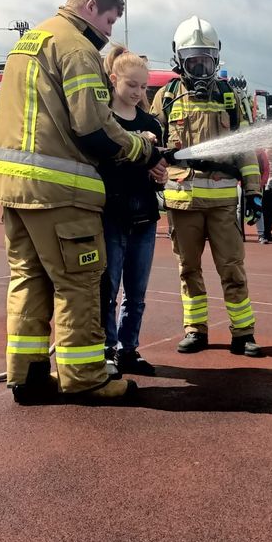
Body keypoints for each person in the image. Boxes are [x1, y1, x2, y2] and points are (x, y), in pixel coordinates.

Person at [0, 0, 163, 405]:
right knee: (79, 282)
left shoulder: (31, 41)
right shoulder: (77, 48)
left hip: (13, 189)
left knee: (28, 280)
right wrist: (140, 147)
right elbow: (92, 127)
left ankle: (26, 375)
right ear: (90, 8)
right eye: (108, 22)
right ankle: (85, 378)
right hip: (60, 191)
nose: (108, 34)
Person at [151, 15, 263, 356]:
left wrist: (255, 192)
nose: (201, 68)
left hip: (222, 203)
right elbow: (152, 143)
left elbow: (245, 147)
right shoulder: (166, 98)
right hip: (182, 203)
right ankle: (195, 330)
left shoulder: (231, 97)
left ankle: (243, 333)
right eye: (193, 61)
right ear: (179, 60)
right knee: (189, 270)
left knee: (232, 268)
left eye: (206, 60)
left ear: (217, 59)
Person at [98, 45, 164, 377]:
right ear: (113, 80)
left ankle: (129, 349)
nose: (138, 93)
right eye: (132, 85)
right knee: (108, 289)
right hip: (110, 216)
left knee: (136, 293)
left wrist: (160, 172)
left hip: (144, 217)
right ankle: (107, 351)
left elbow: (157, 174)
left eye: (143, 87)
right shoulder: (102, 120)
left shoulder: (152, 122)